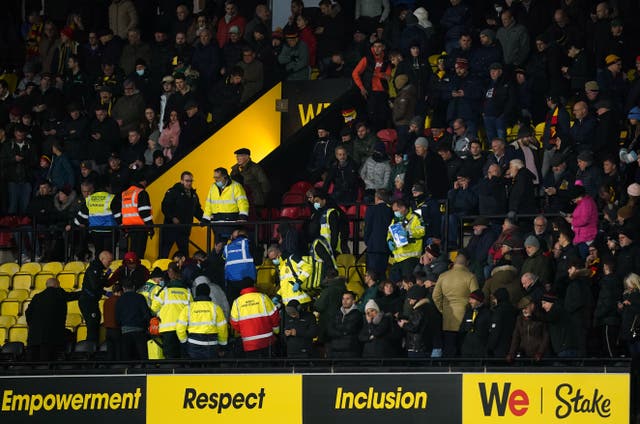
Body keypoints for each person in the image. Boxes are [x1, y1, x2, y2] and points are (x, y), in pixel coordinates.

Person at [432, 251, 479, 356]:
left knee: (449, 348)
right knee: (462, 349)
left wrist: (443, 309)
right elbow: (476, 296)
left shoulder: (443, 276)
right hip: (464, 317)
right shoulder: (470, 277)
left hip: (448, 317)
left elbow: (435, 296)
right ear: (466, 263)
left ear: (454, 262)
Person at [26, 278, 80, 361]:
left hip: (34, 336)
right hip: (51, 336)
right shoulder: (58, 292)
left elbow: (28, 313)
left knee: (32, 363)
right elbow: (73, 296)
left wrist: (33, 326)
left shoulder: (37, 297)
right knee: (47, 363)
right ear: (56, 285)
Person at [150, 262, 192, 359]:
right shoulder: (187, 292)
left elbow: (153, 308)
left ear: (170, 273)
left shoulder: (164, 291)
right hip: (184, 329)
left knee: (170, 359)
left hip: (167, 330)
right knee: (183, 357)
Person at [176, 283, 228, 359]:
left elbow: (180, 328)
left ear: (196, 293)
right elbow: (222, 328)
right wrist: (222, 345)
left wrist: (184, 342)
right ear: (208, 293)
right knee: (210, 369)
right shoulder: (216, 308)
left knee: (195, 369)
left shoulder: (188, 308)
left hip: (193, 345)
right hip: (211, 345)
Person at [230, 279, 280, 358]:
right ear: (254, 285)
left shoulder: (237, 302)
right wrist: (276, 330)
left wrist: (244, 331)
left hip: (249, 343)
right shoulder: (263, 297)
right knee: (268, 367)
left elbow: (234, 323)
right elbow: (274, 315)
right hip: (267, 341)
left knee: (253, 368)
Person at [160, 171, 204, 258]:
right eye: (187, 181)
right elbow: (165, 206)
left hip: (184, 228)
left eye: (191, 181)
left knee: (185, 255)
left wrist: (205, 219)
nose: (189, 183)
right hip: (171, 228)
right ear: (181, 181)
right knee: (164, 253)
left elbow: (197, 210)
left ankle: (185, 271)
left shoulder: (193, 194)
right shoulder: (173, 192)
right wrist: (172, 218)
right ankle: (161, 270)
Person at [202, 167, 249, 244]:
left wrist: (243, 216)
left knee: (231, 246)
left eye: (218, 177)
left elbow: (243, 202)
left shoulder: (236, 186)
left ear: (225, 176)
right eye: (214, 177)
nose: (216, 180)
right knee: (218, 247)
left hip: (231, 222)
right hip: (217, 223)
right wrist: (206, 218)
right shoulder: (213, 187)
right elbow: (209, 204)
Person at [79, 250, 114, 343]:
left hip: (92, 301)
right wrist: (105, 293)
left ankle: (93, 347)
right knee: (92, 326)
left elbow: (100, 282)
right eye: (109, 261)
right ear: (102, 259)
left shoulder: (99, 269)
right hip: (88, 301)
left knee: (95, 323)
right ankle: (90, 349)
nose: (110, 263)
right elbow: (95, 285)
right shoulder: (94, 268)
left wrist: (106, 276)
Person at [116, 172, 154, 259]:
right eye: (145, 181)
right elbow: (144, 212)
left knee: (132, 253)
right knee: (139, 254)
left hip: (129, 228)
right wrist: (150, 227)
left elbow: (117, 207)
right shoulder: (141, 192)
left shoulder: (125, 193)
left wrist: (120, 223)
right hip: (141, 227)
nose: (146, 183)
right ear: (142, 181)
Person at [387, 198, 425, 282]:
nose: (395, 212)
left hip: (410, 258)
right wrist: (389, 241)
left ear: (403, 208)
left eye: (396, 210)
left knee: (408, 284)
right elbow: (389, 233)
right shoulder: (395, 220)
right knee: (393, 285)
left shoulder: (416, 217)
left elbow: (422, 231)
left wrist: (408, 233)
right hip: (397, 259)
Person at [397, 285, 439, 358]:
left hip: (417, 346)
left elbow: (414, 327)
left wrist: (403, 325)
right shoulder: (429, 308)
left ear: (416, 298)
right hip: (427, 346)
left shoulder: (419, 310)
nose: (409, 302)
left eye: (410, 299)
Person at [115, 278, 150, 360]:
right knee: (143, 358)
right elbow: (146, 314)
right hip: (139, 331)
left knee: (127, 360)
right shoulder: (140, 297)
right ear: (134, 287)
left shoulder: (119, 300)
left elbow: (117, 318)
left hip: (125, 332)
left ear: (123, 288)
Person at [507, 296, 549, 362]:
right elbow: (516, 338)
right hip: (524, 356)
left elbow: (546, 337)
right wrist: (511, 353)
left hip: (539, 357)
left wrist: (540, 353)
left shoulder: (541, 318)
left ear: (532, 306)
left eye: (525, 308)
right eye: (522, 309)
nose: (524, 310)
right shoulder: (520, 320)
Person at [364, 189, 393, 279]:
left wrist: (367, 241)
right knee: (382, 273)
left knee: (372, 275)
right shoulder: (390, 210)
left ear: (377, 198)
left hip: (373, 246)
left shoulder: (371, 209)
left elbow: (368, 227)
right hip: (385, 247)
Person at [541, 292, 580, 358]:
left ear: (552, 302)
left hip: (566, 349)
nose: (542, 306)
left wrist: (532, 315)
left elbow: (547, 318)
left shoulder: (556, 310)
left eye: (544, 303)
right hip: (566, 348)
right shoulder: (560, 309)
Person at [223, 228, 257, 303]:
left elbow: (224, 258)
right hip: (246, 279)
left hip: (231, 280)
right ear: (246, 236)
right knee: (248, 302)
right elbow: (258, 259)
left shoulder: (227, 247)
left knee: (234, 304)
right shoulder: (248, 243)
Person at [327, 291, 363, 358]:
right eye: (343, 298)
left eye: (347, 299)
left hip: (351, 351)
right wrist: (342, 333)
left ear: (353, 301)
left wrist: (337, 331)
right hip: (335, 350)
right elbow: (329, 330)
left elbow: (350, 328)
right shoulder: (336, 314)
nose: (344, 301)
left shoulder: (358, 314)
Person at [459, 289, 491, 357]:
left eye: (472, 299)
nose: (470, 301)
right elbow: (462, 329)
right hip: (467, 350)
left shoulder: (487, 313)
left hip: (480, 351)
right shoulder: (468, 312)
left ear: (479, 300)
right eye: (469, 299)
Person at [487, 288, 516, 358]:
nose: (494, 301)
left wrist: (490, 347)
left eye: (495, 298)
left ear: (499, 298)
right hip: (511, 347)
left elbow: (495, 331)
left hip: (499, 349)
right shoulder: (513, 310)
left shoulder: (498, 312)